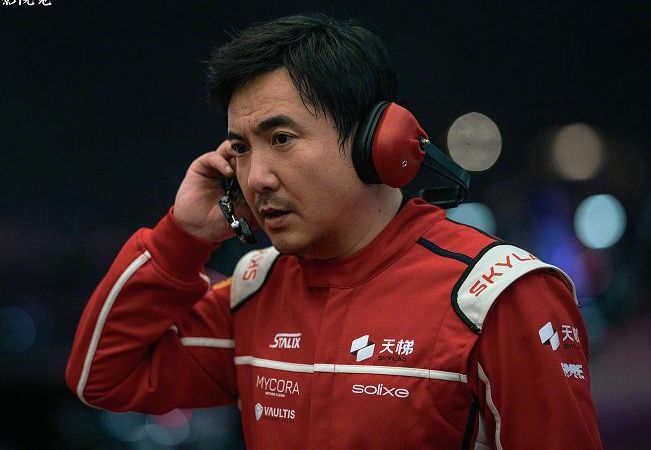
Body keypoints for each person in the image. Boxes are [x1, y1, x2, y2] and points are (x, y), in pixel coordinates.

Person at [66, 14, 603, 449]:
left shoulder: (497, 298)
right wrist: (182, 237)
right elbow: (102, 376)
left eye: (281, 138)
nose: (257, 178)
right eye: (241, 148)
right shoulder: (256, 288)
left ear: (379, 141)